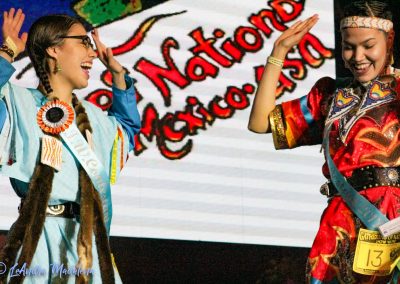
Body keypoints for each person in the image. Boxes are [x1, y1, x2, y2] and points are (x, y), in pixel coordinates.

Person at [248, 1, 400, 283]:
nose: (357, 56)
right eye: (349, 46)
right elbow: (259, 123)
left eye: (368, 45)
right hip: (341, 222)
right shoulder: (329, 95)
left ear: (389, 41)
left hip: (392, 218)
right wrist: (278, 53)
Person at [0, 7, 141, 284]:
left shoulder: (96, 119)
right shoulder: (17, 103)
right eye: (84, 42)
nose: (92, 53)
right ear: (54, 49)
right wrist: (7, 51)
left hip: (87, 245)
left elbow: (127, 130)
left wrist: (120, 76)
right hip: (38, 242)